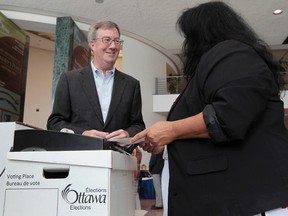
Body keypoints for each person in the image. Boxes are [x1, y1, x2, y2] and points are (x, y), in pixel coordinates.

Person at [131, 1, 288, 216]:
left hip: (247, 201)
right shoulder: (225, 61)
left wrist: (171, 130)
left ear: (203, 33)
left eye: (189, 36)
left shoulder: (233, 53)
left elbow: (227, 116)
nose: (187, 44)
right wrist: (167, 142)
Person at [47, 20, 145, 141]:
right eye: (107, 40)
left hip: (116, 156)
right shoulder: (69, 80)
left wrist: (127, 133)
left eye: (117, 41)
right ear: (92, 44)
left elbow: (138, 125)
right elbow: (54, 123)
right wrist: (83, 133)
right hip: (80, 155)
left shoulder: (132, 84)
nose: (113, 46)